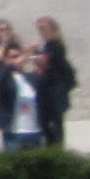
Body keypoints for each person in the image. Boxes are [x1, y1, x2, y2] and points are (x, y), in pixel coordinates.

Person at [31, 23, 75, 151]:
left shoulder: (56, 46)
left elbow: (47, 62)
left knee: (54, 129)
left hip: (54, 94)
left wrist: (35, 54)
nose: (41, 33)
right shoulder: (47, 46)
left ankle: (56, 152)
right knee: (47, 128)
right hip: (46, 94)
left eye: (43, 29)